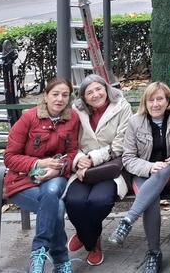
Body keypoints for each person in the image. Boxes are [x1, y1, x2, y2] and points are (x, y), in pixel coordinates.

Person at [4, 78, 80, 273]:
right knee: (57, 205)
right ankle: (60, 260)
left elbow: (72, 153)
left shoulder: (72, 119)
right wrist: (38, 163)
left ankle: (39, 255)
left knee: (52, 193)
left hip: (55, 177)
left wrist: (59, 168)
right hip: (23, 180)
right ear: (46, 96)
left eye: (65, 95)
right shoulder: (29, 118)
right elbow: (10, 157)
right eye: (55, 94)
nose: (60, 99)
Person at [109, 82, 170, 272]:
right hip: (145, 175)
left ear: (168, 101)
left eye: (160, 99)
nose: (155, 104)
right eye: (151, 100)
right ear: (145, 102)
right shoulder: (135, 122)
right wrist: (150, 167)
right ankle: (154, 253)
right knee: (150, 201)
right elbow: (128, 158)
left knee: (165, 168)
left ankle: (127, 221)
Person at [64, 74, 132, 266]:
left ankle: (87, 237)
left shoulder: (121, 106)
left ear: (106, 89)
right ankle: (91, 239)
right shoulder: (76, 111)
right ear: (83, 97)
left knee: (99, 202)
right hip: (82, 167)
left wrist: (94, 158)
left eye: (98, 89)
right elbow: (69, 141)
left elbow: (121, 143)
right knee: (74, 201)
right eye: (89, 92)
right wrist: (79, 160)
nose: (95, 95)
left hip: (110, 166)